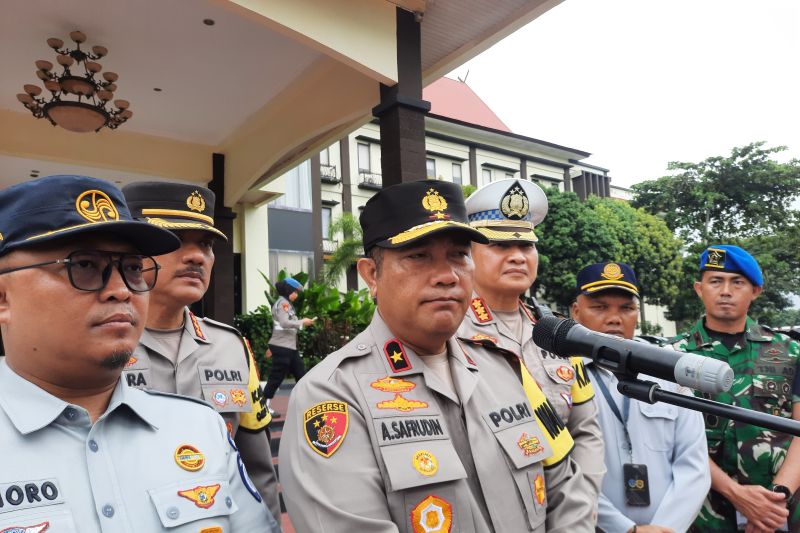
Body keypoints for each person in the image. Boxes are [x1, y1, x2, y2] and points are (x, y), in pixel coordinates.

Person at [279, 179, 593, 533]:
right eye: (418, 256)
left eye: (459, 255)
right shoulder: (332, 393)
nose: (446, 276)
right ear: (371, 275)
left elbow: (566, 485)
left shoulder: (505, 367)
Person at [0, 174, 278, 532]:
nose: (120, 290)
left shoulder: (202, 426)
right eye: (84, 265)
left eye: (132, 269)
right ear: (4, 297)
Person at [122, 181, 281, 525]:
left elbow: (256, 471)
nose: (197, 256)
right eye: (175, 240)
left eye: (206, 244)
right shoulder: (98, 345)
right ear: (131, 250)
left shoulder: (231, 347)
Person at [459, 178, 605, 503]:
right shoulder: (449, 333)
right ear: (468, 254)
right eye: (499, 246)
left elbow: (586, 431)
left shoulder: (558, 334)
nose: (517, 257)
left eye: (526, 245)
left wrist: (580, 507)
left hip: (567, 508)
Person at [572, 261, 710, 533]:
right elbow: (566, 472)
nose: (614, 318)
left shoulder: (668, 372)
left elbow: (694, 466)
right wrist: (625, 529)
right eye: (600, 307)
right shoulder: (562, 376)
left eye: (626, 308)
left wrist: (665, 527)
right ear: (576, 312)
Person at [671, 245, 800, 533]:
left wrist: (777, 499)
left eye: (737, 282)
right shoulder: (674, 356)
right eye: (716, 281)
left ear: (756, 290)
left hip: (780, 510)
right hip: (703, 510)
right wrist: (736, 493)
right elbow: (669, 438)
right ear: (699, 288)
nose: (726, 291)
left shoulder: (791, 351)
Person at [264, 277, 315, 416]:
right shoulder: (283, 304)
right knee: (276, 377)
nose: (296, 295)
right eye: (295, 292)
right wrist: (302, 322)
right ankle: (264, 407)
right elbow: (285, 323)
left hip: (289, 347)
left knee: (301, 375)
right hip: (282, 347)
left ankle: (304, 405)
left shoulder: (286, 304)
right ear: (288, 290)